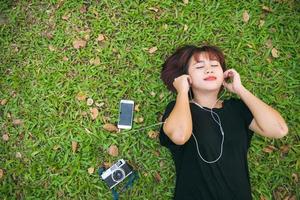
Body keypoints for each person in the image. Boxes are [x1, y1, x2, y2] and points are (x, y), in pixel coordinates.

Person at [159, 45, 288, 200]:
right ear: (187, 77)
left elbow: (279, 130)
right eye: (200, 66)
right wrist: (182, 92)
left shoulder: (237, 109)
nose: (209, 70)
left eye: (214, 65)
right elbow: (179, 135)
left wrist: (240, 90)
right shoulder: (178, 109)